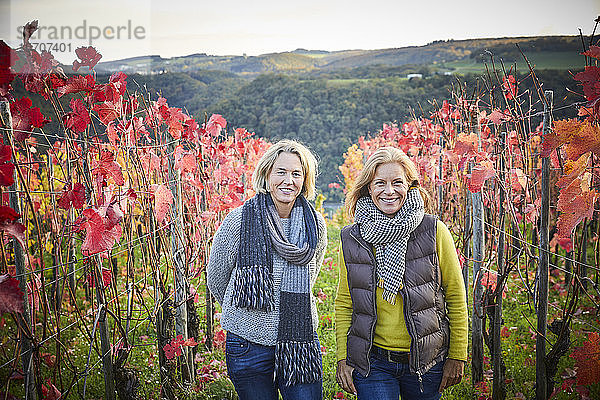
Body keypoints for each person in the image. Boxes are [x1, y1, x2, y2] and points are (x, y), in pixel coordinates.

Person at [335, 147, 468, 400]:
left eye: (397, 182)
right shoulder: (352, 238)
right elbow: (344, 303)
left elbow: (455, 296)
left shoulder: (434, 231)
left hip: (426, 360)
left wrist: (457, 355)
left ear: (410, 186)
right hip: (373, 361)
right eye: (380, 183)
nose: (389, 191)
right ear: (368, 188)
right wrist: (343, 356)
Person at [207, 139, 327, 400]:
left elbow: (311, 275)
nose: (288, 180)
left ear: (305, 180)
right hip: (247, 343)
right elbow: (217, 278)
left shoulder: (315, 224)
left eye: (296, 173)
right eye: (281, 172)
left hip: (300, 341)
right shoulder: (239, 220)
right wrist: (248, 312)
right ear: (267, 175)